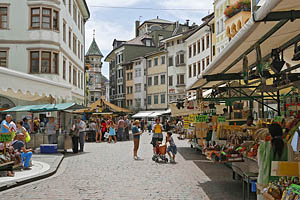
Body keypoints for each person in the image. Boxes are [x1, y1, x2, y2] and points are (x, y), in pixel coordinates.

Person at [257, 123, 294, 200]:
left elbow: (260, 164)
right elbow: (291, 165)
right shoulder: (288, 147)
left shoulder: (263, 147)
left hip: (265, 185)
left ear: (270, 134)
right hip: (283, 187)